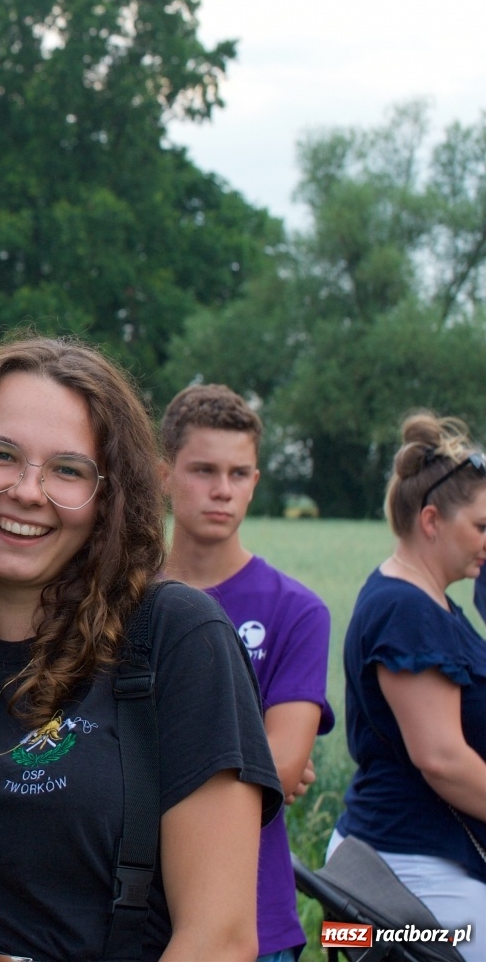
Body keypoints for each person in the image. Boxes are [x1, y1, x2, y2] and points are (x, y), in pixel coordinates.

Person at [0, 336, 282, 961]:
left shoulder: (174, 640)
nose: (28, 491)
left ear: (111, 496)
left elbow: (218, 939)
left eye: (68, 469)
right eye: (1, 455)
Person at [160, 384, 333, 962]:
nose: (222, 491)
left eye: (239, 473)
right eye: (203, 470)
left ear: (256, 481)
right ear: (164, 474)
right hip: (121, 910)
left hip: (254, 920)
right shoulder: (117, 597)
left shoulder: (297, 610)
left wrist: (271, 765)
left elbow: (283, 767)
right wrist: (247, 759)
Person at [333, 413, 486, 958]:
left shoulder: (429, 600)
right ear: (430, 520)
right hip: (416, 872)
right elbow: (442, 758)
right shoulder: (406, 610)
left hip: (421, 857)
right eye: (482, 527)